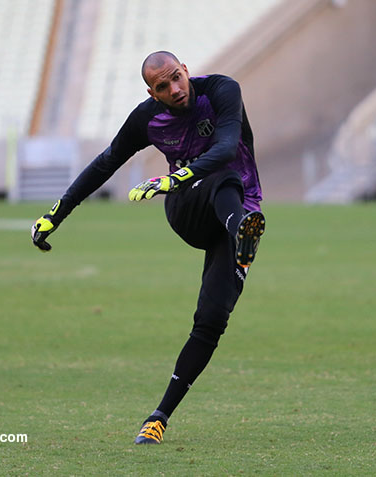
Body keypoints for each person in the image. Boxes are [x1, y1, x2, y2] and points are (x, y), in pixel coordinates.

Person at [30, 51, 265, 445]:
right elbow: (106, 163)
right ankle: (241, 229)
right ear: (151, 93)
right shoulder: (147, 118)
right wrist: (57, 213)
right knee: (221, 179)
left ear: (186, 70)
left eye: (177, 78)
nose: (174, 89)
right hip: (188, 209)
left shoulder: (223, 90)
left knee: (211, 319)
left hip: (233, 207)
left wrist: (172, 178)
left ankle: (158, 418)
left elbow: (225, 146)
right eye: (163, 86)